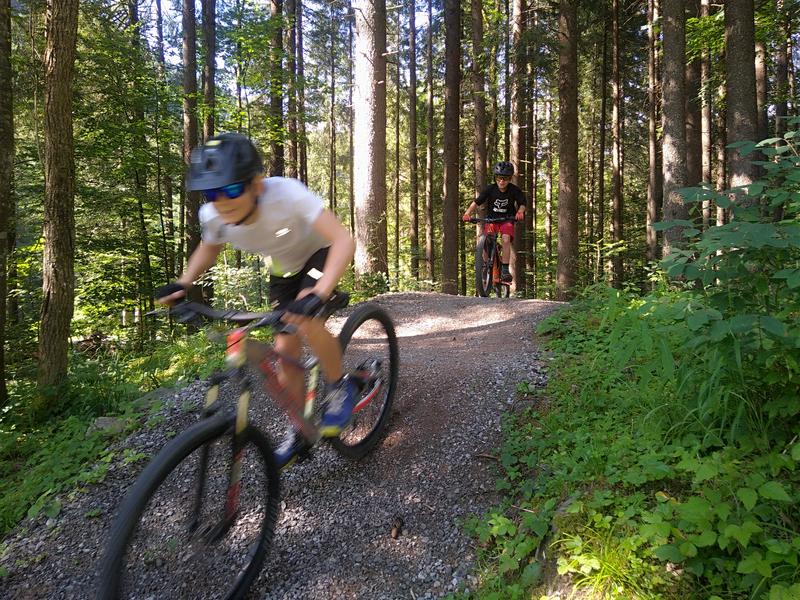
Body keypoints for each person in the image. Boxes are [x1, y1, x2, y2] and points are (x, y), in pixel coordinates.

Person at [155, 132, 357, 470]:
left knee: (306, 316)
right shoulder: (213, 215)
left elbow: (343, 240)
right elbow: (209, 247)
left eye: (232, 189)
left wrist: (320, 293)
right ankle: (300, 427)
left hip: (320, 253)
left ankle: (340, 386)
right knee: (285, 348)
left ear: (257, 185)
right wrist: (182, 283)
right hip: (283, 270)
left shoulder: (288, 194)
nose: (223, 201)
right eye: (212, 193)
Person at [461, 161, 526, 282]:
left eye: (505, 179)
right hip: (492, 219)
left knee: (506, 238)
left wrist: (520, 212)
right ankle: (485, 266)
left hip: (507, 219)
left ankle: (505, 269)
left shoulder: (514, 190)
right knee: (486, 240)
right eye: (499, 178)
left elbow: (522, 203)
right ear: (495, 177)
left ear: (510, 179)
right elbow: (477, 202)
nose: (501, 181)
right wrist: (467, 213)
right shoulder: (490, 189)